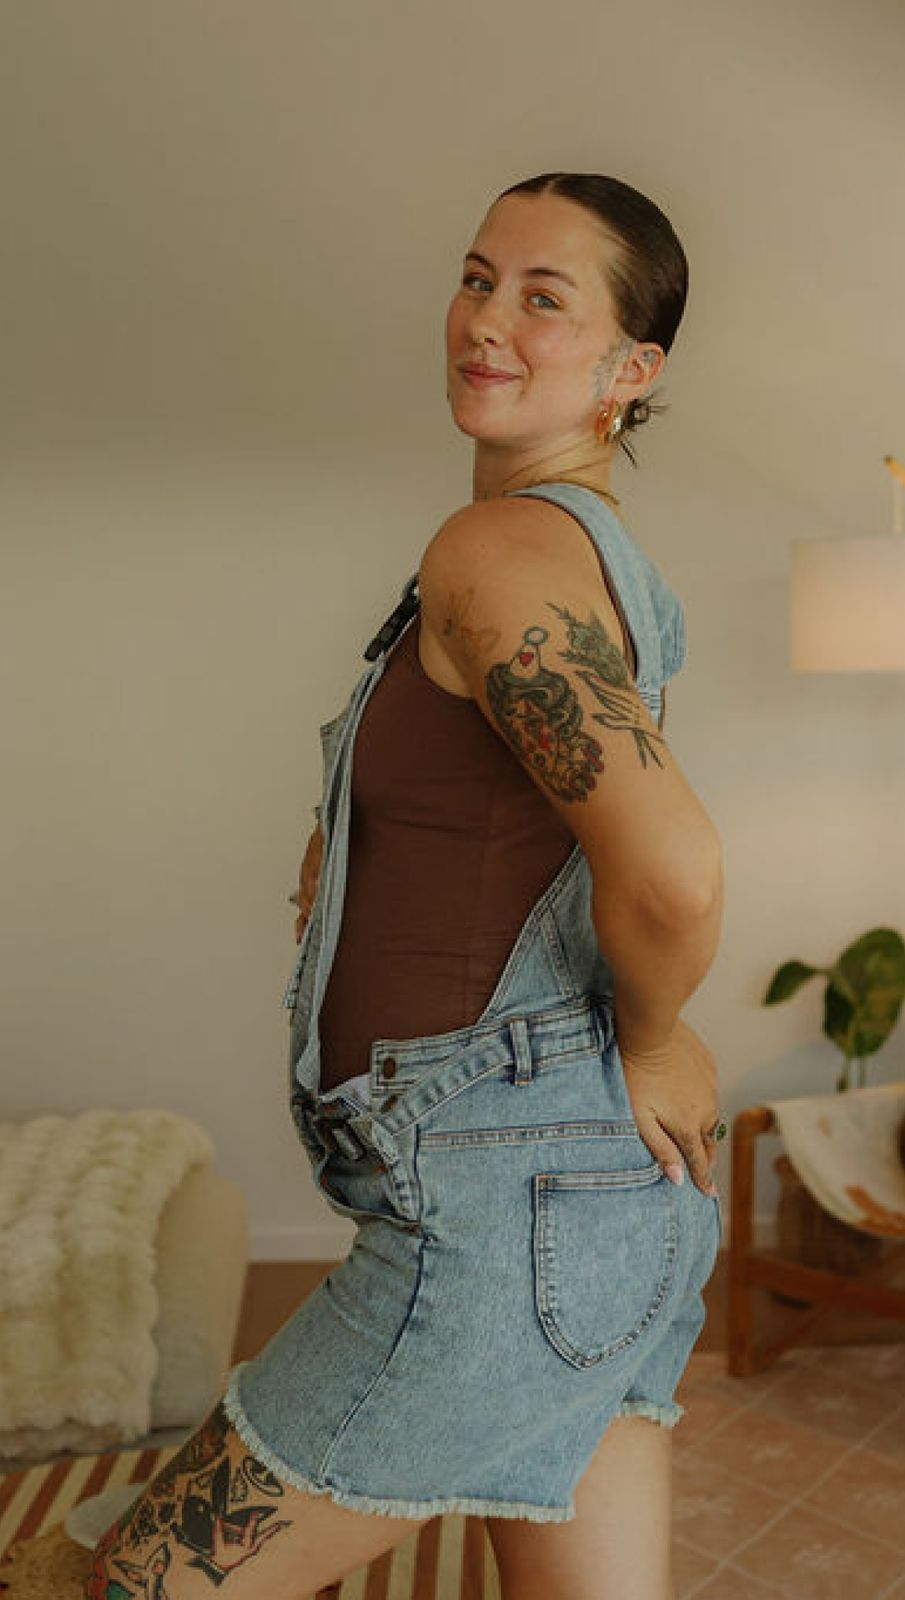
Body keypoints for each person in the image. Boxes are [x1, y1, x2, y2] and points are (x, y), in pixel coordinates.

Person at [88, 172, 724, 1600]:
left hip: (507, 1213)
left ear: (632, 371)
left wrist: (652, 1032)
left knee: (129, 1586)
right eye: (476, 276)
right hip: (598, 1205)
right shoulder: (595, 559)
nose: (485, 319)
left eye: (542, 297)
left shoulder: (495, 549)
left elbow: (672, 871)